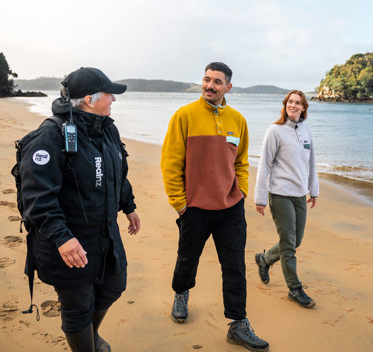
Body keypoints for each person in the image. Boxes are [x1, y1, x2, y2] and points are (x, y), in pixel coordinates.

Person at [19, 67, 141, 351]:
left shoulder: (107, 129)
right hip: (68, 239)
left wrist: (129, 206)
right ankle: (86, 344)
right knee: (77, 306)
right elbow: (37, 196)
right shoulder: (49, 136)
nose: (113, 100)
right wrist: (62, 237)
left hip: (105, 234)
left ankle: (91, 334)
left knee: (113, 287)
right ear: (89, 99)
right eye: (109, 95)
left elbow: (117, 173)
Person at [161, 62, 269, 351]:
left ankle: (237, 323)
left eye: (217, 82)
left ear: (228, 87)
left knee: (234, 266)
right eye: (207, 79)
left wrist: (241, 191)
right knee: (188, 258)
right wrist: (180, 204)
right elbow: (171, 163)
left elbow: (242, 162)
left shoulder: (238, 120)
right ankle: (181, 292)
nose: (210, 85)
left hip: (230, 208)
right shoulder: (184, 116)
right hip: (194, 207)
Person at [254, 90, 319, 308]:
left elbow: (311, 163)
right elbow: (264, 164)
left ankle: (264, 260)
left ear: (303, 108)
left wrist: (314, 190)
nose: (293, 105)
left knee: (295, 240)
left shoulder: (306, 129)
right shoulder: (275, 131)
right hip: (280, 194)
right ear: (285, 105)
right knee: (289, 245)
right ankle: (294, 288)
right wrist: (260, 197)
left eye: (298, 103)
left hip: (300, 195)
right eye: (290, 102)